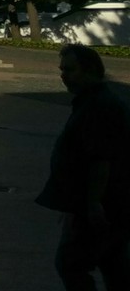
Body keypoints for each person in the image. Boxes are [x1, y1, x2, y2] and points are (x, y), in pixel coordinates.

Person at [38, 44, 130, 289]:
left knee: (71, 263)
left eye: (69, 69)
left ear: (89, 70)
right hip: (104, 203)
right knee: (114, 265)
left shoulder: (100, 106)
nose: (63, 75)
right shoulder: (91, 102)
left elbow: (101, 159)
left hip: (104, 204)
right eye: (62, 69)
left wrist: (93, 203)